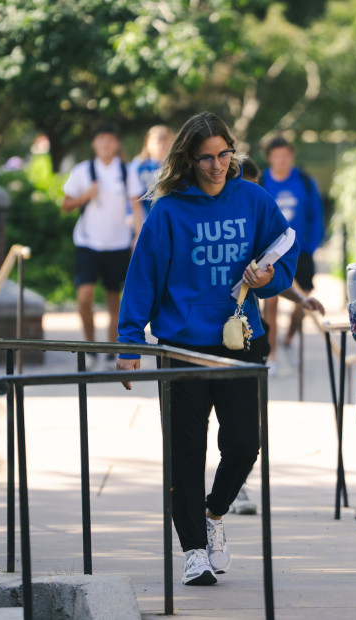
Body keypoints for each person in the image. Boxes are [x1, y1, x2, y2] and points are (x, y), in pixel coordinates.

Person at [114, 112, 299, 586]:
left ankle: (213, 514)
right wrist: (130, 339)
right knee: (186, 453)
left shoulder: (253, 199)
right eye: (206, 158)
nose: (217, 165)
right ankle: (194, 550)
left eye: (223, 155)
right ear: (188, 159)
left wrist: (267, 277)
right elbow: (143, 276)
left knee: (244, 445)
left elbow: (285, 256)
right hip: (181, 349)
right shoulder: (168, 211)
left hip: (239, 342)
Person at [61, 122, 134, 366]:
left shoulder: (126, 171)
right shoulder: (82, 170)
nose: (106, 144)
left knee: (115, 299)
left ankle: (111, 350)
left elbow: (136, 205)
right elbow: (66, 205)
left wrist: (137, 236)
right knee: (84, 297)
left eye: (110, 139)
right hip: (87, 242)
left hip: (119, 243)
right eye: (101, 139)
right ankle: (90, 347)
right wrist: (86, 195)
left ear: (116, 143)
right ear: (94, 143)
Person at [260, 136, 324, 360]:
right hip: (272, 251)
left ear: (291, 156)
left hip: (301, 251)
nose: (282, 160)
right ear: (269, 158)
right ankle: (271, 352)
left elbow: (316, 216)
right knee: (272, 301)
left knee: (302, 301)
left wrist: (311, 247)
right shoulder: (262, 182)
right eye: (277, 156)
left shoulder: (304, 181)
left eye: (285, 155)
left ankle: (289, 334)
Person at [127, 124, 175, 243]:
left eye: (165, 140)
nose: (161, 145)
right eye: (157, 141)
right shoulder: (138, 165)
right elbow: (133, 199)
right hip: (145, 222)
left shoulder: (175, 166)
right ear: (147, 142)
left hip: (170, 223)